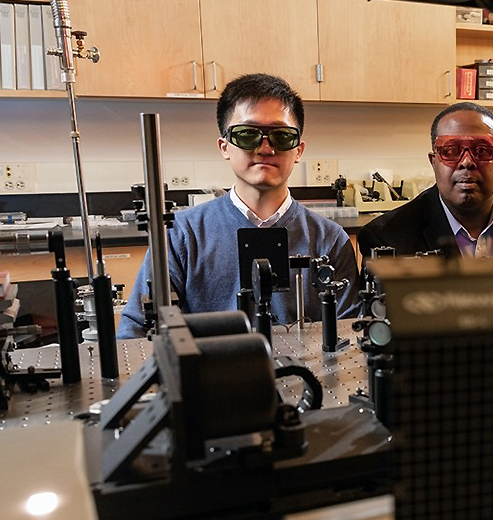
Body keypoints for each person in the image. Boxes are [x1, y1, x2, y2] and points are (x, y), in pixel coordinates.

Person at [118, 73, 360, 338]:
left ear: (299, 150)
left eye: (281, 136)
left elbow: (350, 332)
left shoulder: (329, 239)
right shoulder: (182, 235)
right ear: (224, 147)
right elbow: (135, 331)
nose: (265, 148)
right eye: (247, 134)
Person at [357, 102, 493, 295]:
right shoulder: (386, 238)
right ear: (434, 162)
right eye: (451, 151)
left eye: (482, 150)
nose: (467, 162)